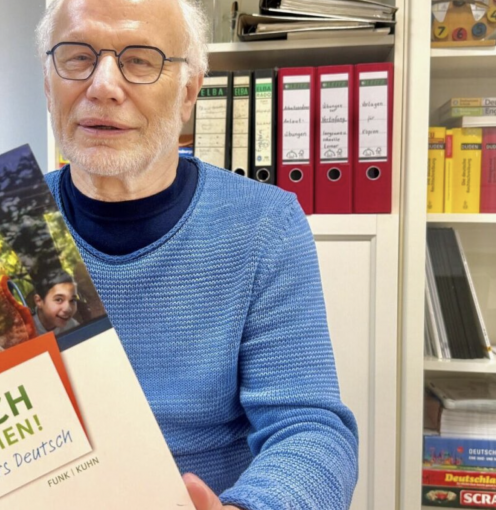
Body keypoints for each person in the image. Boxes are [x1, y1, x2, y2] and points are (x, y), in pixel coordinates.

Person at [35, 1, 359, 509]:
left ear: (189, 92)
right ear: (47, 81)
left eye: (139, 60)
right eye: (77, 57)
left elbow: (309, 429)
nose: (103, 86)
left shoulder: (265, 225)